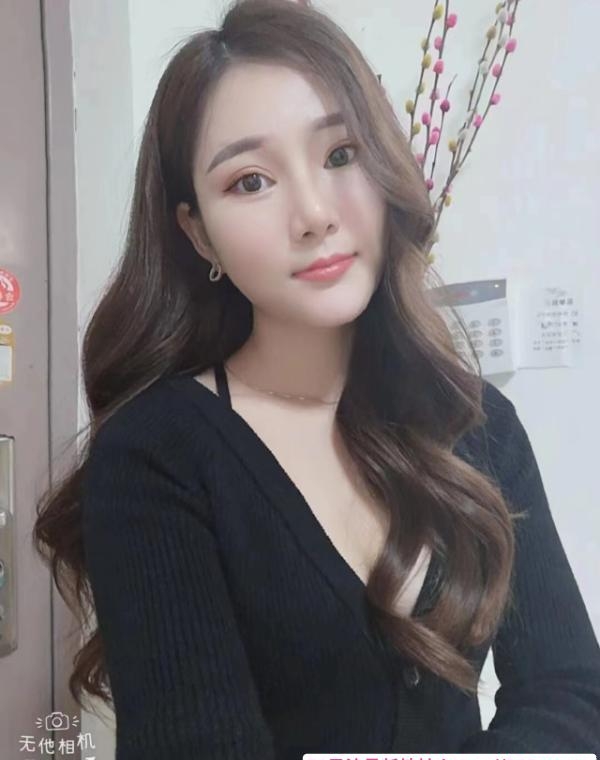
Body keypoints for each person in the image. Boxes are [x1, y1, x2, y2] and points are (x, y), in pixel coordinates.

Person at [33, 0, 600, 757]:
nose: (314, 215)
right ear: (198, 233)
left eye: (340, 155)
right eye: (251, 181)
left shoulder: (478, 424)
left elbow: (571, 694)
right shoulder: (156, 456)